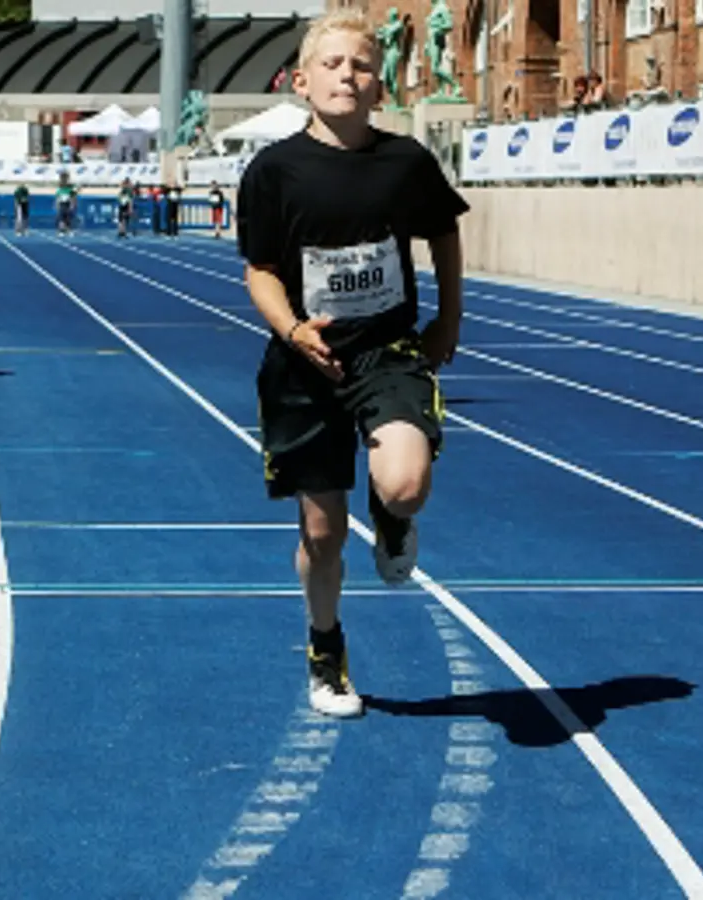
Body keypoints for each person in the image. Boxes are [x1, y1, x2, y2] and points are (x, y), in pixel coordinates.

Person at [237, 8, 468, 718]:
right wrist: (293, 328)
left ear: (380, 83)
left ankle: (394, 520)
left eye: (362, 65)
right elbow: (261, 270)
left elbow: (444, 234)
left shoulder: (407, 162)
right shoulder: (274, 171)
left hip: (386, 350)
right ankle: (325, 646)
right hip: (307, 365)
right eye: (333, 65)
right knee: (321, 534)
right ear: (302, 82)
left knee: (402, 483)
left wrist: (450, 320)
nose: (348, 75)